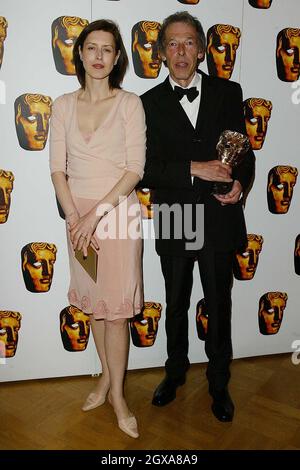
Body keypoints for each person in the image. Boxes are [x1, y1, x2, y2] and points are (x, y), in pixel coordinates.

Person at [140, 11, 255, 422]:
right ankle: (174, 373)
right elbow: (144, 167)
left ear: (202, 51)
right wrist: (194, 166)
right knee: (174, 304)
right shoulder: (147, 103)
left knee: (219, 303)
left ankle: (219, 383)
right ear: (162, 53)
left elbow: (245, 152)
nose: (181, 51)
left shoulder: (229, 91)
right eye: (172, 43)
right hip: (174, 212)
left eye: (189, 42)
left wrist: (240, 184)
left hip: (219, 217)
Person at [49, 19, 145, 439]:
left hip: (118, 214)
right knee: (92, 305)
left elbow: (134, 170)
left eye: (108, 49)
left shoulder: (129, 104)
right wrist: (74, 217)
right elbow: (57, 169)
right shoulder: (63, 105)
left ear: (118, 57)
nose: (99, 56)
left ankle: (119, 397)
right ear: (81, 54)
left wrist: (94, 215)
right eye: (92, 48)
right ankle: (106, 378)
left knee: (117, 313)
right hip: (77, 217)